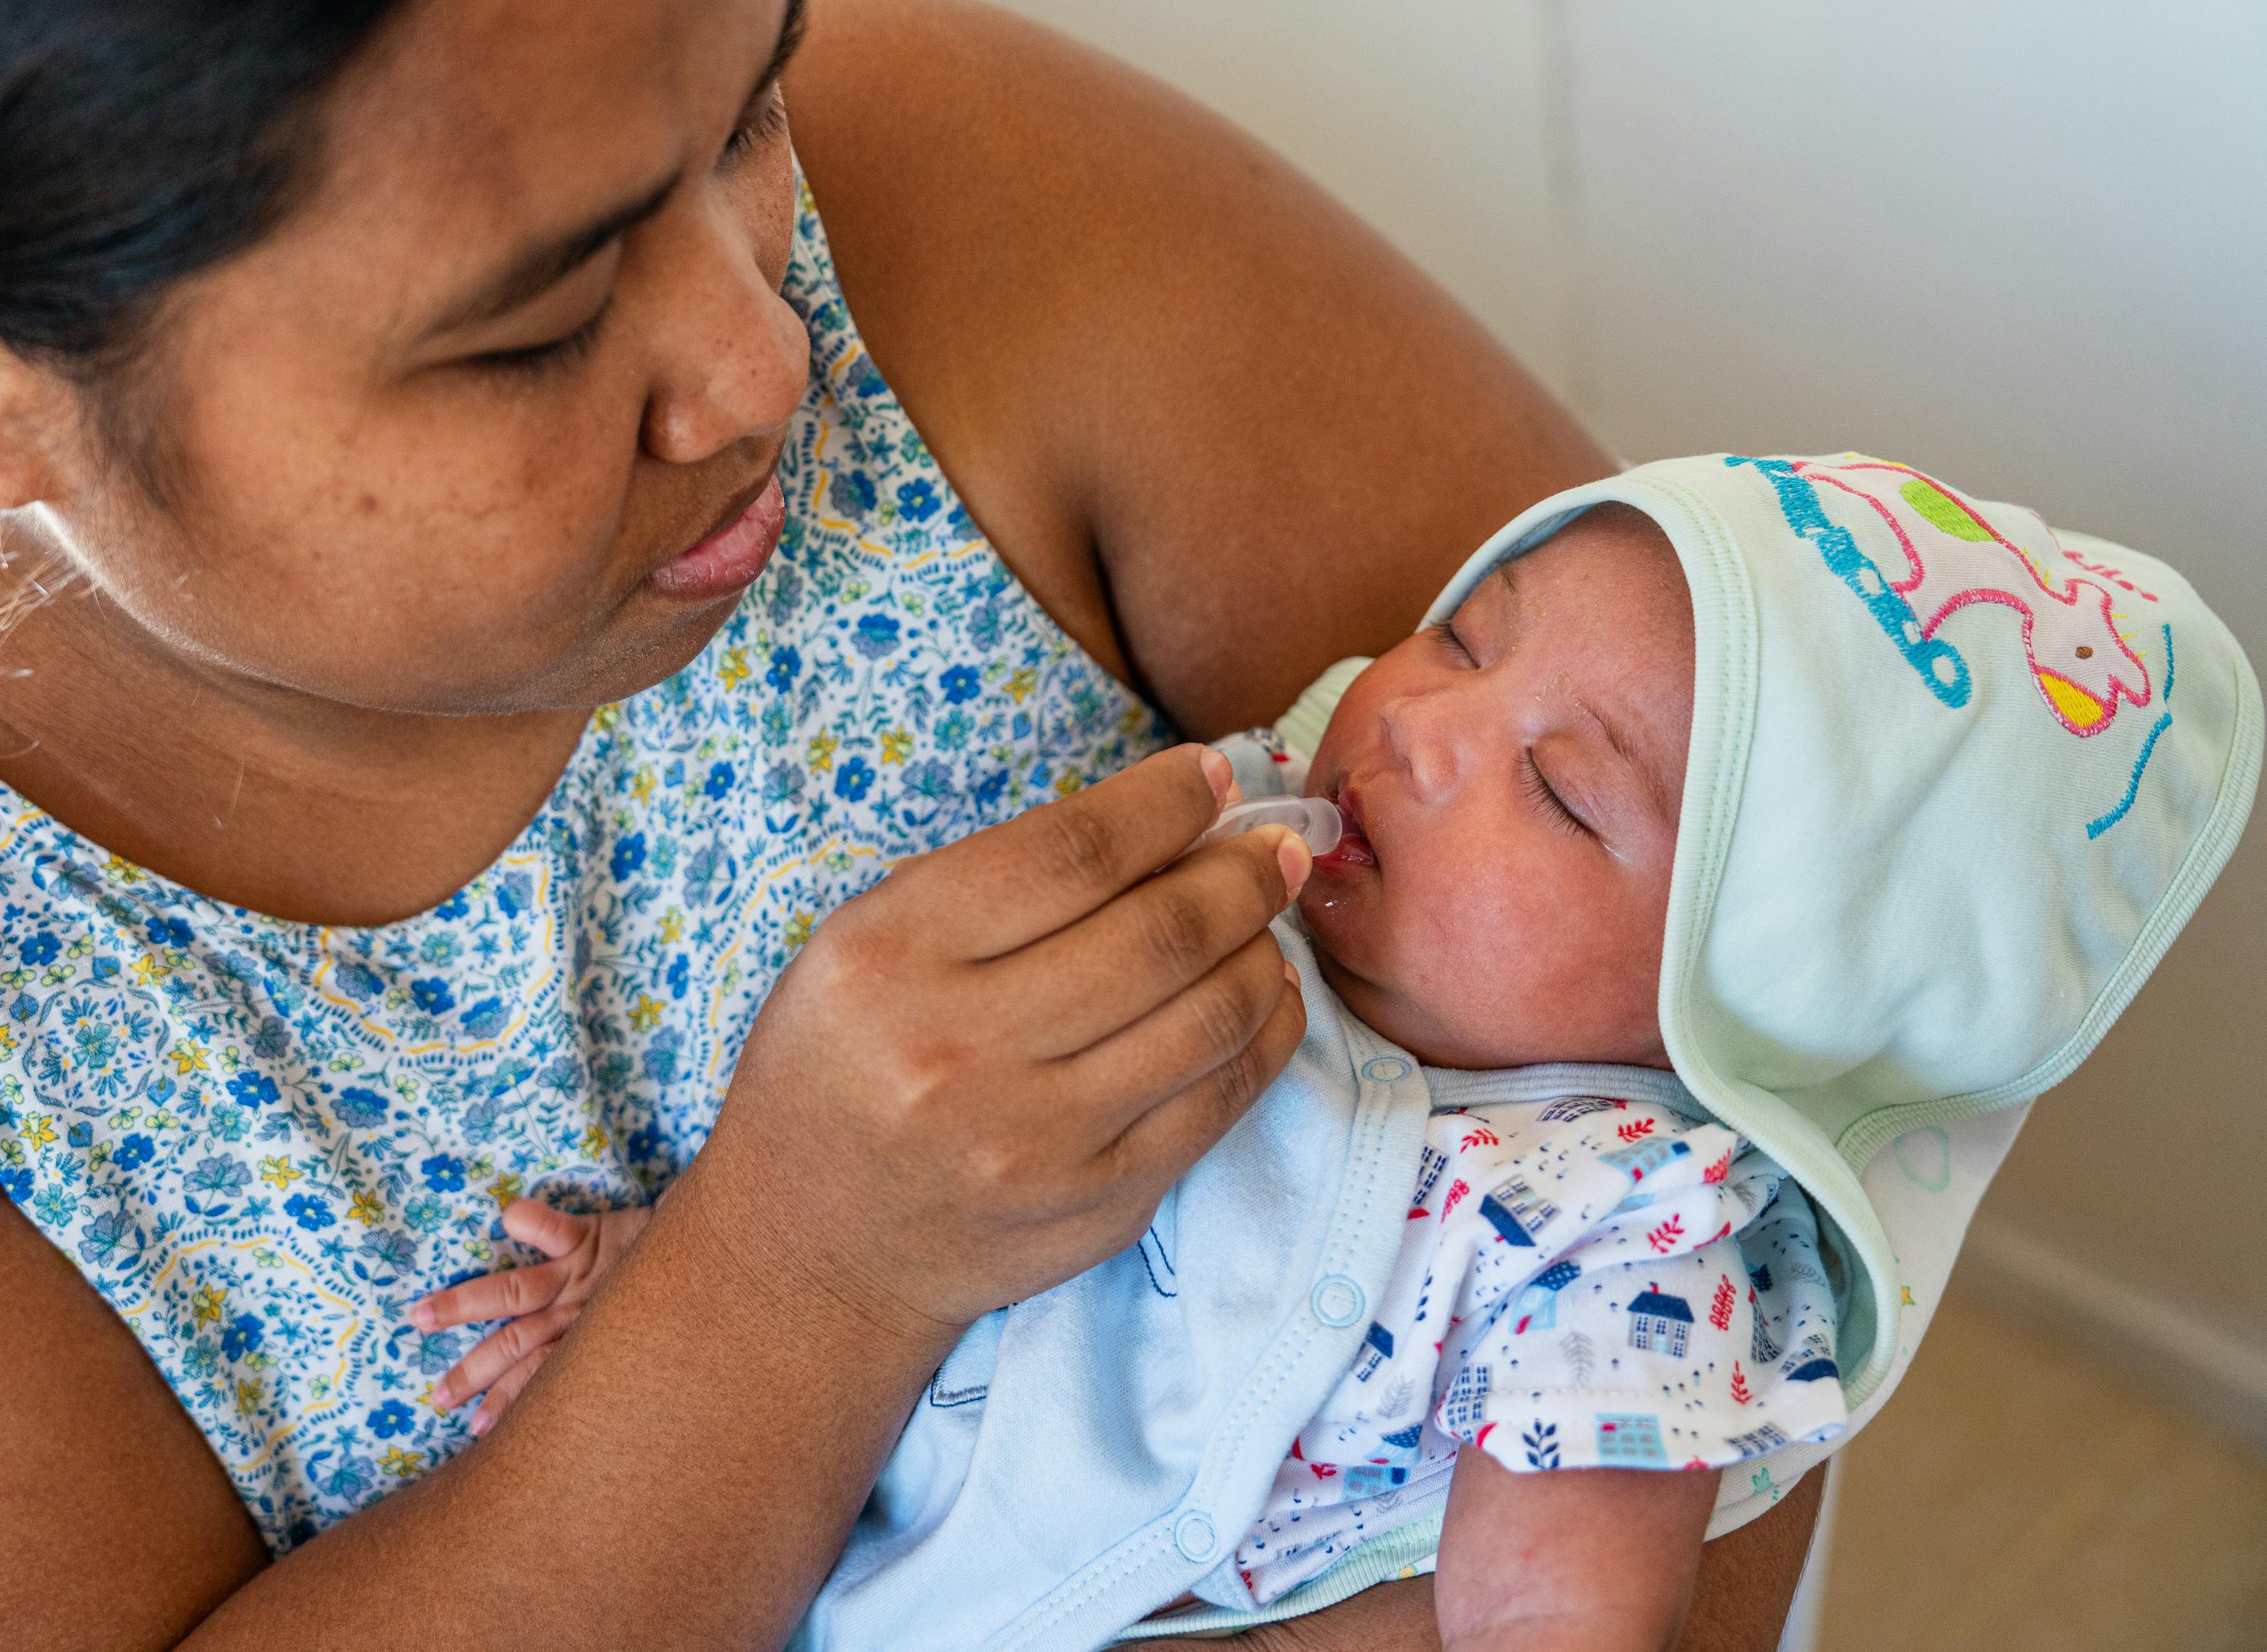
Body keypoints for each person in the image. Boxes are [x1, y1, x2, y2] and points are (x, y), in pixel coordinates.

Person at [0, 1, 1844, 1646]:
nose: (761, 354)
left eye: (749, 105)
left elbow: (1797, 1000)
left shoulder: (971, 190)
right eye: (531, 329)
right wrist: (798, 1273)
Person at [440, 458, 2258, 1650]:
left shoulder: (1623, 1229)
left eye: (1561, 790)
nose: (1425, 727)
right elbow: (899, 1164)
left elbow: (1560, 1602)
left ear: (1728, 1011)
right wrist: (671, 1286)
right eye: (1465, 632)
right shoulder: (1227, 871)